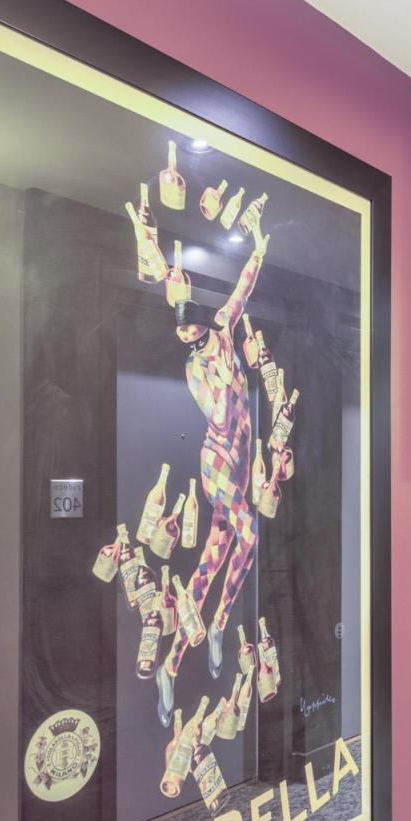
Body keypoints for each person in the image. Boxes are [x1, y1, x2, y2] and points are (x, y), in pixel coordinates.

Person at [133, 203, 270, 724]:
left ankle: (171, 663)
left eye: (191, 333)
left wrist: (259, 248)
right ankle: (218, 624)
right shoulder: (195, 370)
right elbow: (219, 412)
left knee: (211, 562)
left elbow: (242, 289)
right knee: (248, 533)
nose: (188, 340)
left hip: (240, 458)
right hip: (216, 460)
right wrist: (220, 377)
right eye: (183, 337)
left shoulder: (224, 328)